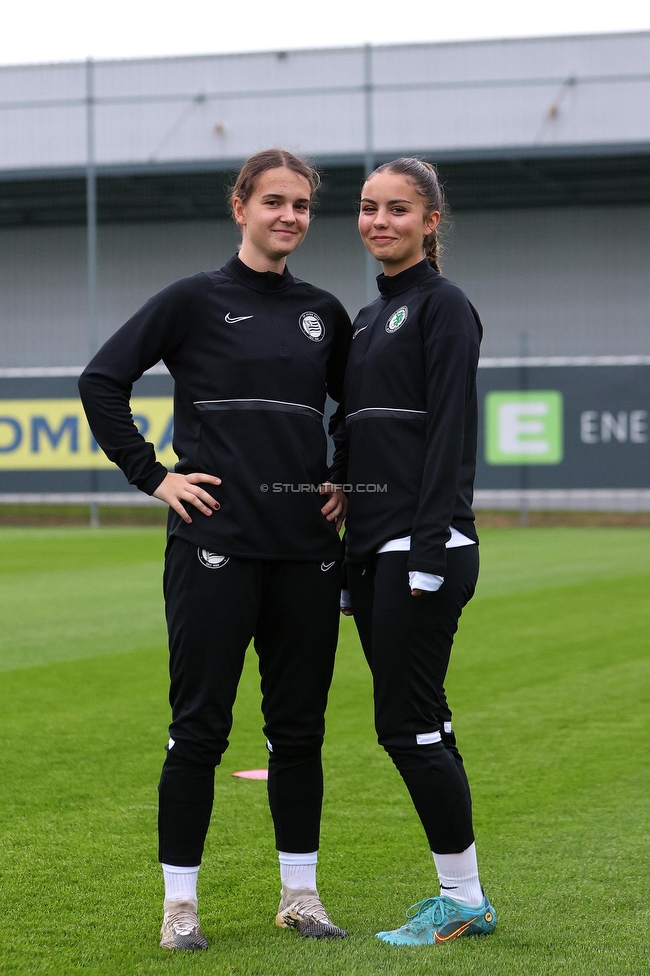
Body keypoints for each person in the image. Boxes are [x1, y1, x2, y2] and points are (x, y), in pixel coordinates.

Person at [78, 149, 351, 949]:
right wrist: (154, 475)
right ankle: (180, 908)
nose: (289, 216)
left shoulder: (324, 312)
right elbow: (103, 380)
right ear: (240, 207)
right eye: (273, 201)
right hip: (214, 546)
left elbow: (360, 408)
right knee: (200, 728)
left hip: (305, 550)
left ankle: (301, 896)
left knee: (298, 732)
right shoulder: (194, 300)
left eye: (301, 205)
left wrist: (345, 476)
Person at [340, 157, 497, 946]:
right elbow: (356, 435)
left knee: (407, 727)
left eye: (398, 210)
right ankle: (463, 893)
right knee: (422, 721)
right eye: (369, 208)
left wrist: (430, 552)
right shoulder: (367, 319)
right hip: (372, 551)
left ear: (431, 221)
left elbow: (449, 439)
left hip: (421, 548)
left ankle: (464, 901)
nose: (379, 222)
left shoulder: (444, 307)